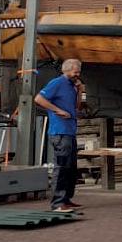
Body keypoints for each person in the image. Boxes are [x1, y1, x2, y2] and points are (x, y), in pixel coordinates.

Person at [34, 58, 83, 213]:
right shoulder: (57, 83)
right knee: (61, 167)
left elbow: (76, 107)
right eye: (76, 72)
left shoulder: (72, 86)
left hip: (70, 130)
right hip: (60, 132)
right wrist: (57, 110)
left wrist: (80, 90)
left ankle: (66, 199)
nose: (78, 74)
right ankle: (57, 203)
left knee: (70, 167)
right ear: (67, 70)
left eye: (79, 71)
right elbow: (39, 98)